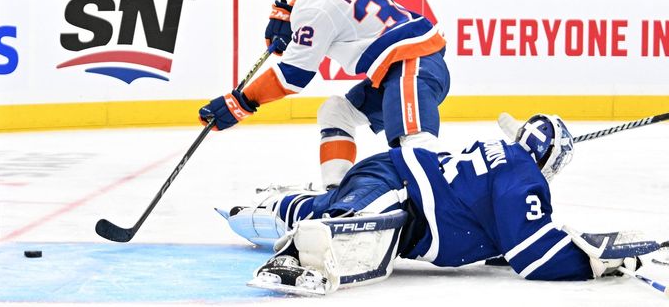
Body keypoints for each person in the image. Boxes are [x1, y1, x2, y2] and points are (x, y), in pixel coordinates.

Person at [222, 114, 651, 295]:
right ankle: (294, 257)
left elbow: (508, 238)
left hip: (403, 194)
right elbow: (534, 257)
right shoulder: (522, 177)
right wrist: (591, 262)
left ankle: (271, 205)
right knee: (349, 223)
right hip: (401, 185)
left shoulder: (505, 157)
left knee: (328, 209)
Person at [198, 0, 449, 189]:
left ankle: (444, 205)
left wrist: (243, 101)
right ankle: (336, 190)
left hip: (411, 64)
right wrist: (293, 12)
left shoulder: (314, 8)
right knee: (335, 112)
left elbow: (292, 76)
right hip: (403, 64)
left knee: (416, 145)